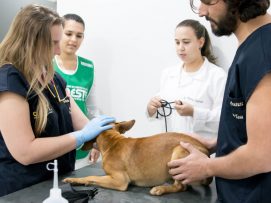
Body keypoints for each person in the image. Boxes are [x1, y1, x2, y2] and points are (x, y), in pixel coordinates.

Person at [0, 4, 115, 197]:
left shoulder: (54, 79)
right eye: (53, 43)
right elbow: (25, 152)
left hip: (56, 184)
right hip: (22, 190)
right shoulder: (10, 79)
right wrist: (80, 137)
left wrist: (115, 143)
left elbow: (83, 124)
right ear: (32, 42)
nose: (58, 50)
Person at [168, 1, 271, 202]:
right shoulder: (252, 48)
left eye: (208, 1)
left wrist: (206, 167)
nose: (202, 11)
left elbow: (263, 156)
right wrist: (218, 142)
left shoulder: (262, 54)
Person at [147, 19, 226, 139]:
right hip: (170, 149)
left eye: (186, 42)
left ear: (201, 42)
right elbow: (164, 113)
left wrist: (194, 112)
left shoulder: (217, 76)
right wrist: (151, 108)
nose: (181, 48)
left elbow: (224, 119)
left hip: (202, 151)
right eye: (177, 42)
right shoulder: (168, 74)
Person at [53, 14, 100, 168]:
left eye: (79, 36)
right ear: (59, 32)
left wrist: (96, 141)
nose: (74, 40)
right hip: (52, 145)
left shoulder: (88, 67)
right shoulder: (46, 64)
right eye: (69, 34)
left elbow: (92, 110)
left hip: (81, 149)